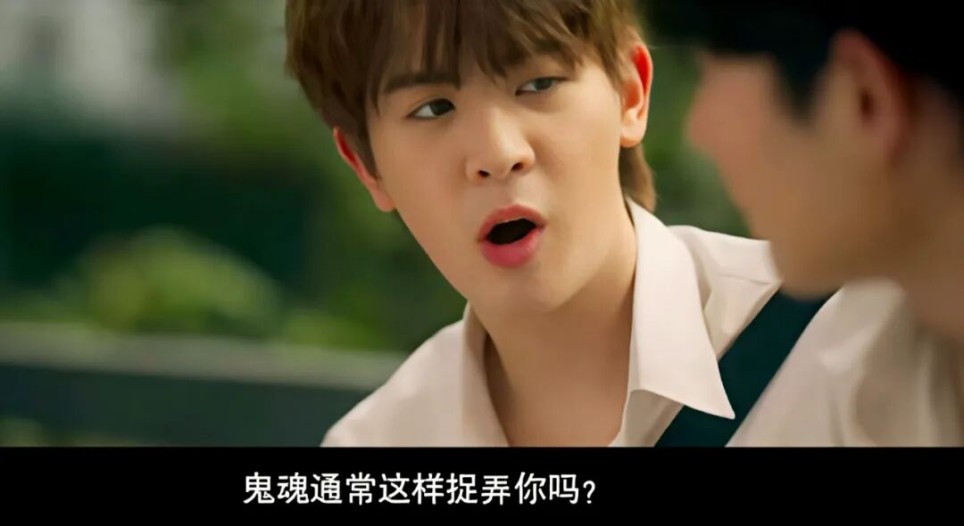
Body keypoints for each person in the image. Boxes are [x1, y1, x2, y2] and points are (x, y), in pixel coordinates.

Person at [284, 0, 879, 447]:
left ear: (630, 92)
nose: (498, 153)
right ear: (367, 166)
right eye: (432, 109)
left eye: (537, 84)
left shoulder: (849, 338)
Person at [643, 0, 964, 443]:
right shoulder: (881, 361)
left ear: (865, 98)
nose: (698, 131)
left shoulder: (831, 353)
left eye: (709, 72)